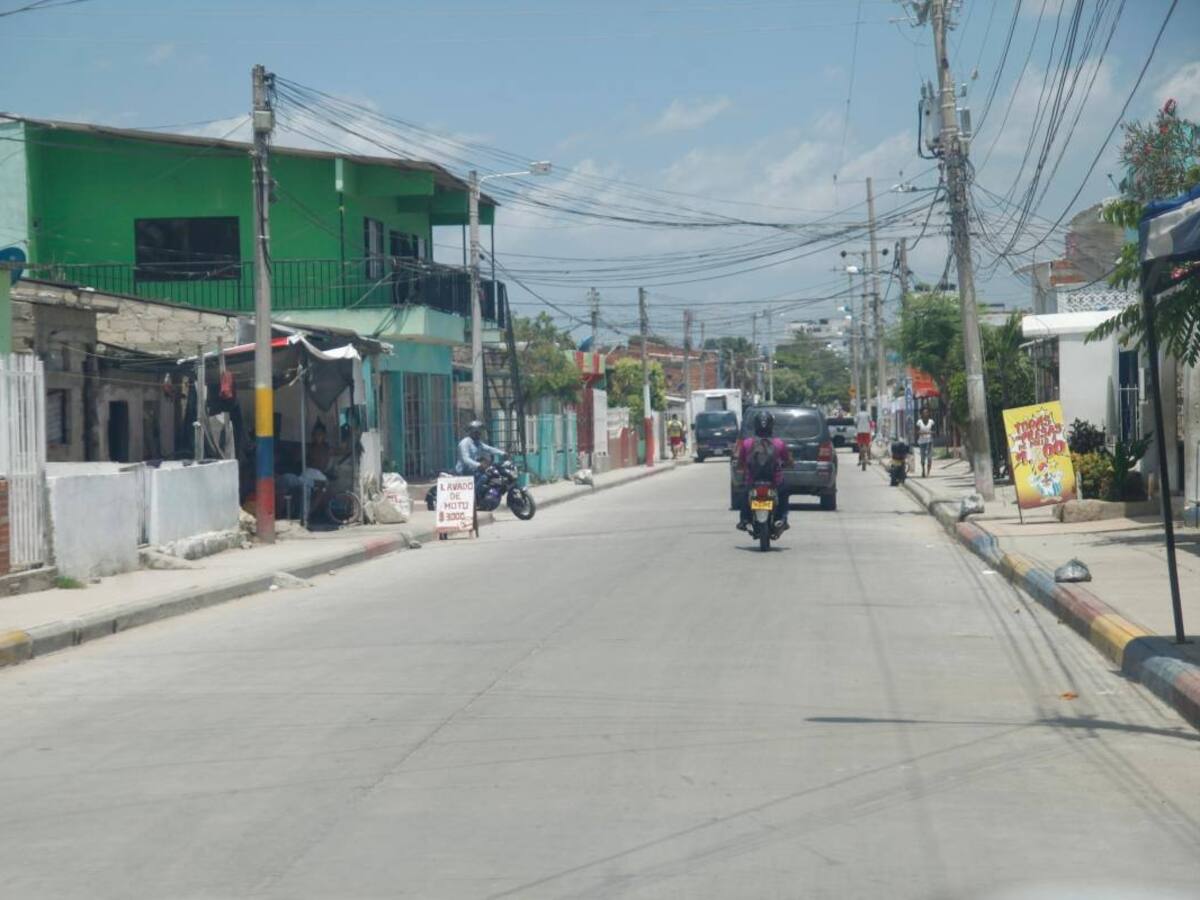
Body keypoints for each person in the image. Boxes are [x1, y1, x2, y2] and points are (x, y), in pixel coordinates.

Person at [735, 410, 793, 532]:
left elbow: (740, 463)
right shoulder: (779, 443)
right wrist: (787, 465)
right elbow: (788, 461)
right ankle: (782, 519)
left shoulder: (747, 443)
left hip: (753, 481)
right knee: (785, 491)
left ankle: (744, 520)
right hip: (775, 482)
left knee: (744, 494)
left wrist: (742, 468)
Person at [456, 420, 505, 485]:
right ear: (472, 432)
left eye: (480, 432)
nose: (479, 434)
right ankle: (477, 494)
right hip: (464, 472)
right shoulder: (465, 443)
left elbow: (489, 449)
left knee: (490, 477)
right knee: (484, 478)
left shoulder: (477, 443)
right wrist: (479, 465)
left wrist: (502, 453)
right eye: (477, 432)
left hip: (474, 470)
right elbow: (466, 459)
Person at [916, 406, 936, 478]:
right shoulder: (919, 422)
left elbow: (934, 431)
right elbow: (917, 432)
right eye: (924, 413)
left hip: (929, 442)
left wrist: (927, 432)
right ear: (921, 414)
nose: (925, 414)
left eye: (927, 412)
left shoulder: (931, 422)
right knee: (923, 458)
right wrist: (926, 432)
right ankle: (923, 470)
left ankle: (928, 473)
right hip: (922, 442)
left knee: (929, 458)